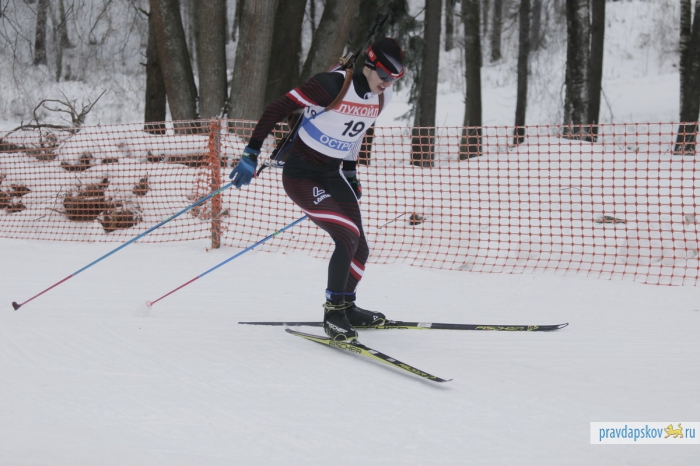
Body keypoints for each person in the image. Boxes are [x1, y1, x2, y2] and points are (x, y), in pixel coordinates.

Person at [229, 38, 404, 342]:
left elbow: (356, 132)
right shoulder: (331, 85)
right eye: (384, 75)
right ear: (369, 65)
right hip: (301, 176)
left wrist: (350, 172)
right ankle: (333, 314)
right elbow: (277, 108)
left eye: (395, 79)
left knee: (360, 247)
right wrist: (251, 153)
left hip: (331, 174)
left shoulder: (381, 98)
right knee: (347, 235)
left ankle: (347, 307)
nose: (387, 83)